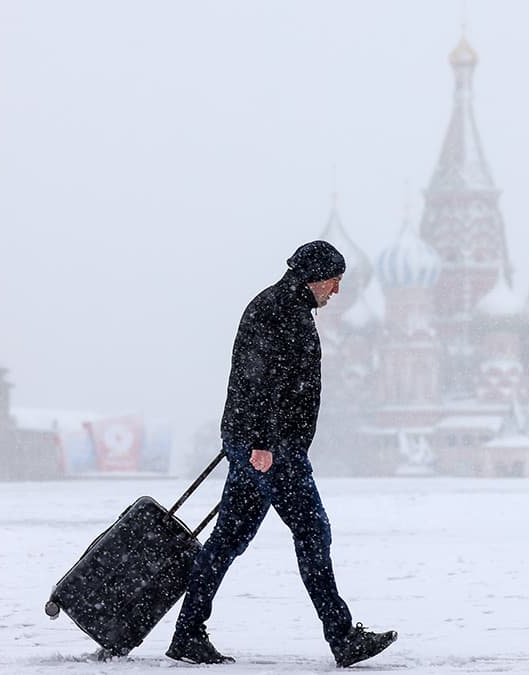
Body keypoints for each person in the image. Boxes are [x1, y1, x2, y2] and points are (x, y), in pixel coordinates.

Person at [166, 240, 397, 668]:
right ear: (314, 277)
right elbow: (257, 381)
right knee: (313, 532)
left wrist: (254, 442)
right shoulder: (280, 311)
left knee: (227, 540)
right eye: (334, 281)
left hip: (264, 445)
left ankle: (187, 633)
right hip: (273, 450)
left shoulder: (282, 307)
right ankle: (342, 637)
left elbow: (272, 383)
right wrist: (261, 444)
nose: (337, 291)